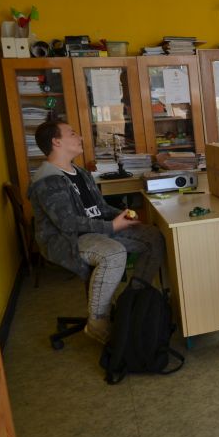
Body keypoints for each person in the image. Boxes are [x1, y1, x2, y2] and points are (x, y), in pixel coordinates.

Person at [28, 120, 165, 344]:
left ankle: (133, 299)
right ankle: (97, 322)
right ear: (56, 142)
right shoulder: (47, 180)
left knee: (152, 236)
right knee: (113, 253)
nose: (80, 137)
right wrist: (111, 227)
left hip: (95, 229)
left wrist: (123, 215)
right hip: (66, 239)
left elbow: (100, 208)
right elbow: (67, 223)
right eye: (73, 133)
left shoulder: (80, 172)